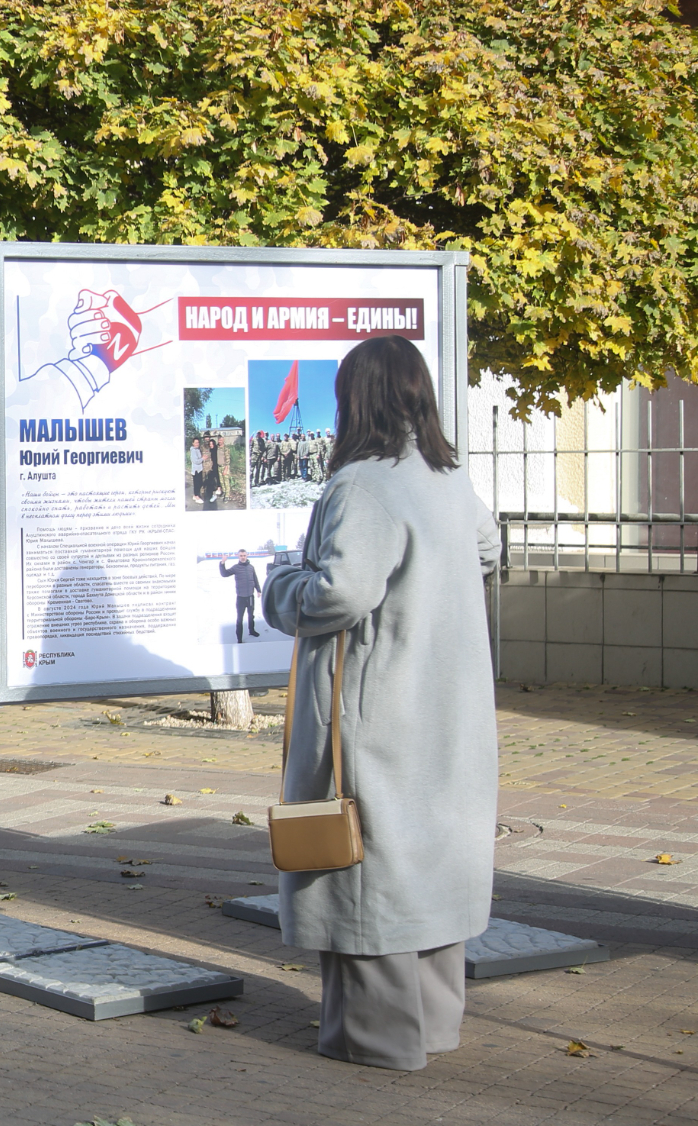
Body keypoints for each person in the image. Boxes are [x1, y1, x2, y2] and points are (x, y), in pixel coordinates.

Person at [264, 335, 499, 1073]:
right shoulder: (444, 476)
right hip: (447, 704)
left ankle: (376, 1041)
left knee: (369, 867)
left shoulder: (362, 483)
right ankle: (431, 1024)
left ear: (353, 399)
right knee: (427, 860)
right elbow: (488, 551)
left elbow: (340, 592)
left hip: (377, 707)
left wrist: (279, 584)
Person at [218, 548, 260, 641]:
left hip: (250, 597)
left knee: (251, 615)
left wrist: (258, 590)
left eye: (244, 555)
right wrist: (222, 563)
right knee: (240, 618)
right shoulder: (236, 567)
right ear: (238, 556)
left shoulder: (251, 567)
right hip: (241, 598)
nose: (243, 557)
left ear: (247, 556)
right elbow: (224, 574)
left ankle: (251, 630)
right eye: (241, 555)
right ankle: (239, 638)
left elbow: (255, 579)